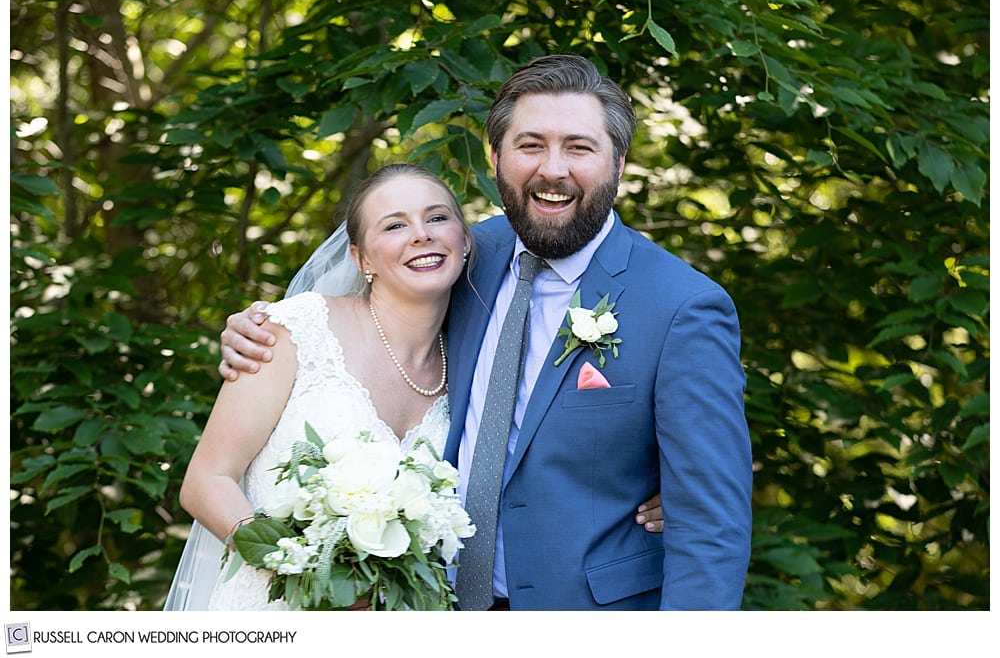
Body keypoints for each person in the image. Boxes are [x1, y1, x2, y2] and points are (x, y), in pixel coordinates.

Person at [221, 54, 752, 610]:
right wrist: (264, 332)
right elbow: (359, 322)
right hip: (430, 608)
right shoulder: (458, 255)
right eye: (530, 146)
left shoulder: (682, 307)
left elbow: (711, 524)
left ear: (618, 162)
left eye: (579, 147)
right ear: (496, 156)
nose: (553, 169)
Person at [166, 164, 472, 610]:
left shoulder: (472, 362)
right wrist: (310, 574)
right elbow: (205, 482)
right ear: (361, 259)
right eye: (394, 225)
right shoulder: (294, 330)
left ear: (464, 239)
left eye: (438, 217)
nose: (421, 234)